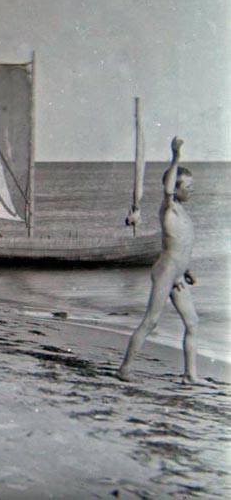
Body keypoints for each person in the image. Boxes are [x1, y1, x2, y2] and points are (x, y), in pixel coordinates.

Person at [117, 137, 200, 384]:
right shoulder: (169, 207)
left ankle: (190, 375)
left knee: (193, 323)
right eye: (188, 185)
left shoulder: (183, 213)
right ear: (176, 188)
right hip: (165, 271)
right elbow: (167, 189)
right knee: (151, 320)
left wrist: (188, 271)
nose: (192, 189)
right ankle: (125, 368)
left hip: (177, 275)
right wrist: (175, 157)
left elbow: (180, 245)